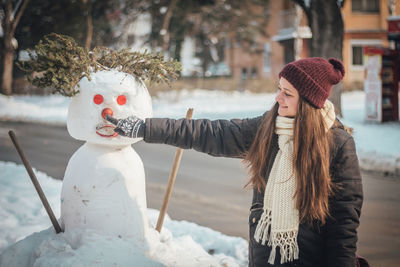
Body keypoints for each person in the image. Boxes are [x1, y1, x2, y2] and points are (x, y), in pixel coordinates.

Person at [106, 57, 363, 267]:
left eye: (287, 93)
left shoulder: (337, 144)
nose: (278, 98)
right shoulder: (267, 129)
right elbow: (210, 132)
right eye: (279, 89)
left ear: (307, 102)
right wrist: (144, 127)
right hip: (265, 257)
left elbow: (343, 225)